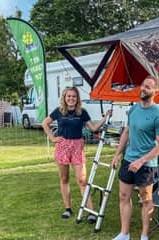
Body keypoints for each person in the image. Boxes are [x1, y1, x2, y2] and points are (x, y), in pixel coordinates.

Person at [108, 75, 159, 240]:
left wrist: (141, 161)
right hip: (128, 160)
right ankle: (124, 233)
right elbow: (126, 132)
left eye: (148, 87)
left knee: (146, 200)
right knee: (123, 196)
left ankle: (144, 237)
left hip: (146, 165)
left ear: (155, 91)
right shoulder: (134, 109)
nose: (143, 88)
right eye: (143, 85)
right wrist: (117, 154)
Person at [42, 87, 112, 222]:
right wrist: (52, 138)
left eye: (74, 96)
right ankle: (67, 208)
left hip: (77, 146)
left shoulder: (82, 112)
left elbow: (93, 128)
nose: (71, 99)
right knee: (64, 179)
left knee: (82, 180)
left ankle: (91, 211)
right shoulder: (59, 111)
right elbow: (45, 123)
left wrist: (105, 117)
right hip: (62, 146)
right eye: (69, 96)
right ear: (64, 97)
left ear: (77, 98)